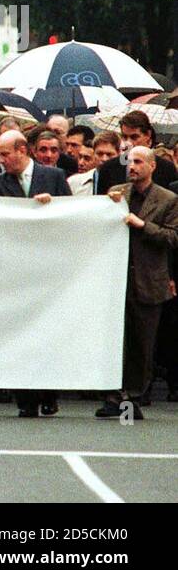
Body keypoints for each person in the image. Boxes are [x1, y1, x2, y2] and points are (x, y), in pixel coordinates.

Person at [0, 129, 71, 418]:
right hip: (16, 270)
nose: (1, 160)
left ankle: (49, 395)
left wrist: (55, 206)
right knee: (19, 332)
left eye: (4, 154)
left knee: (48, 333)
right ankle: (25, 397)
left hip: (49, 269)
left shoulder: (55, 177)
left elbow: (73, 214)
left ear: (22, 150)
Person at [100, 148, 178, 420]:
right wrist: (106, 205)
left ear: (152, 166)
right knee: (114, 340)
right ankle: (113, 396)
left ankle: (133, 396)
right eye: (129, 161)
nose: (132, 166)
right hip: (116, 279)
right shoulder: (117, 193)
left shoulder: (168, 199)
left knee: (142, 343)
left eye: (138, 162)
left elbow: (173, 238)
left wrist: (143, 225)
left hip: (148, 280)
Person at [120, 110, 178, 187]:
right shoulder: (111, 168)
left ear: (148, 134)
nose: (129, 142)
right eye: (125, 137)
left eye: (134, 137)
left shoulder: (167, 168)